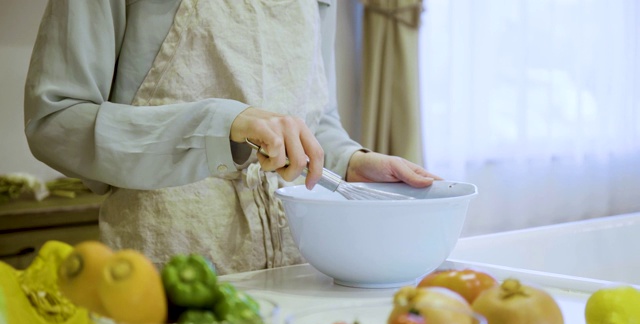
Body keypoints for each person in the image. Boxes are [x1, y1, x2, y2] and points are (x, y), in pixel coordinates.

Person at [23, 0, 440, 274]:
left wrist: (349, 160)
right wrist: (220, 124)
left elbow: (313, 115)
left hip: (302, 267)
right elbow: (56, 120)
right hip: (170, 264)